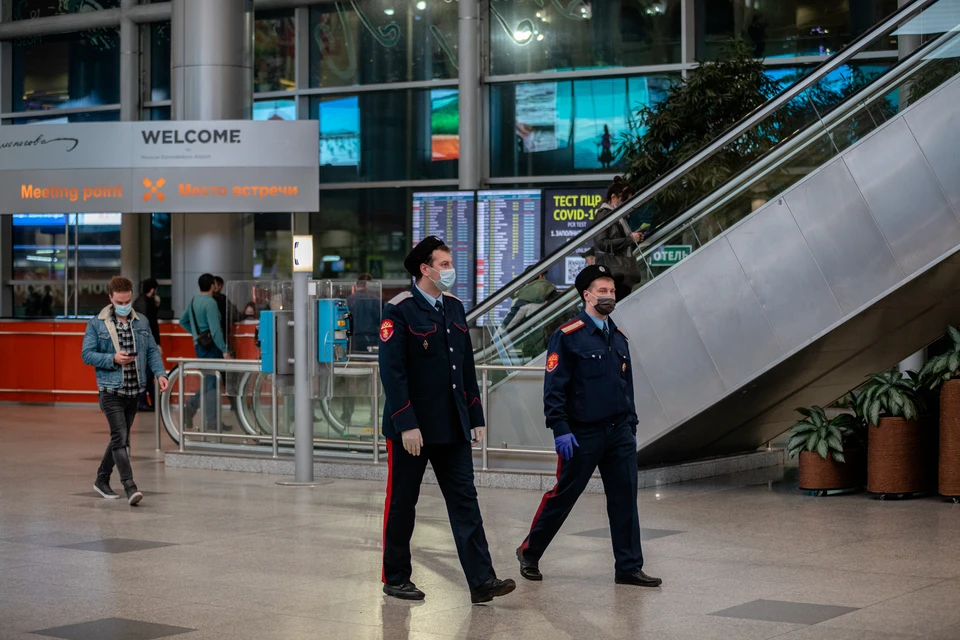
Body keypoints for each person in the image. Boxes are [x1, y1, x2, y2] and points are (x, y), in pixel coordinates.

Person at [379, 236, 515, 604]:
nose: (450, 270)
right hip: (414, 429)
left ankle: (482, 580)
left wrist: (475, 415)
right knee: (403, 502)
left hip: (452, 425)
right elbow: (393, 373)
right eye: (443, 264)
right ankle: (396, 576)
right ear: (424, 269)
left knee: (465, 501)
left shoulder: (454, 307)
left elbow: (465, 368)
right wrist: (406, 422)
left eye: (449, 263)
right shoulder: (399, 310)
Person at [516, 264, 661, 589]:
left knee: (625, 498)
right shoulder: (567, 336)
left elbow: (627, 386)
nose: (608, 296)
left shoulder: (619, 338)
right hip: (581, 434)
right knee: (564, 495)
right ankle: (530, 551)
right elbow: (554, 388)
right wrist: (560, 428)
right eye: (602, 290)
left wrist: (631, 425)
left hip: (619, 432)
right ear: (586, 295)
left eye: (611, 291)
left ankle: (628, 566)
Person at [81, 276, 168, 506]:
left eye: (127, 300)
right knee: (120, 438)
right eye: (120, 302)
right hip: (110, 390)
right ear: (111, 298)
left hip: (133, 391)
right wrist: (112, 358)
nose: (124, 305)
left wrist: (161, 374)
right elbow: (87, 354)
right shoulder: (96, 323)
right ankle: (130, 487)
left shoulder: (141, 322)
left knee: (119, 437)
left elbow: (151, 351)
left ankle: (101, 479)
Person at [180, 273, 230, 431]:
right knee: (212, 384)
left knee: (209, 383)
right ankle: (209, 420)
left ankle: (198, 412)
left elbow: (183, 321)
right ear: (212, 286)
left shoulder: (194, 301)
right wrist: (224, 349)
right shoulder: (211, 303)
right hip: (213, 347)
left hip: (200, 346)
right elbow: (215, 330)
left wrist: (196, 335)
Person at [594, 176, 645, 301]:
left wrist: (635, 238)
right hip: (613, 272)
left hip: (621, 272)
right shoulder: (604, 215)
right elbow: (601, 242)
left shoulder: (619, 217)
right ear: (613, 197)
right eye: (625, 201)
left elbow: (619, 244)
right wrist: (630, 239)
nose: (627, 206)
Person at [341, 273, 382, 426]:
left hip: (353, 343)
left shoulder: (348, 301)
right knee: (374, 379)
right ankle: (374, 415)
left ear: (356, 285)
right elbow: (382, 322)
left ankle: (346, 415)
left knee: (350, 380)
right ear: (369, 286)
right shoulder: (376, 301)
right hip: (371, 342)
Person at [134, 278, 162, 412]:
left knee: (146, 373)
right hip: (146, 343)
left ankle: (149, 402)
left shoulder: (138, 301)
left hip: (138, 342)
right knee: (147, 374)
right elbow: (150, 324)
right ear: (153, 289)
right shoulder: (147, 303)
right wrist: (155, 344)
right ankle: (146, 402)